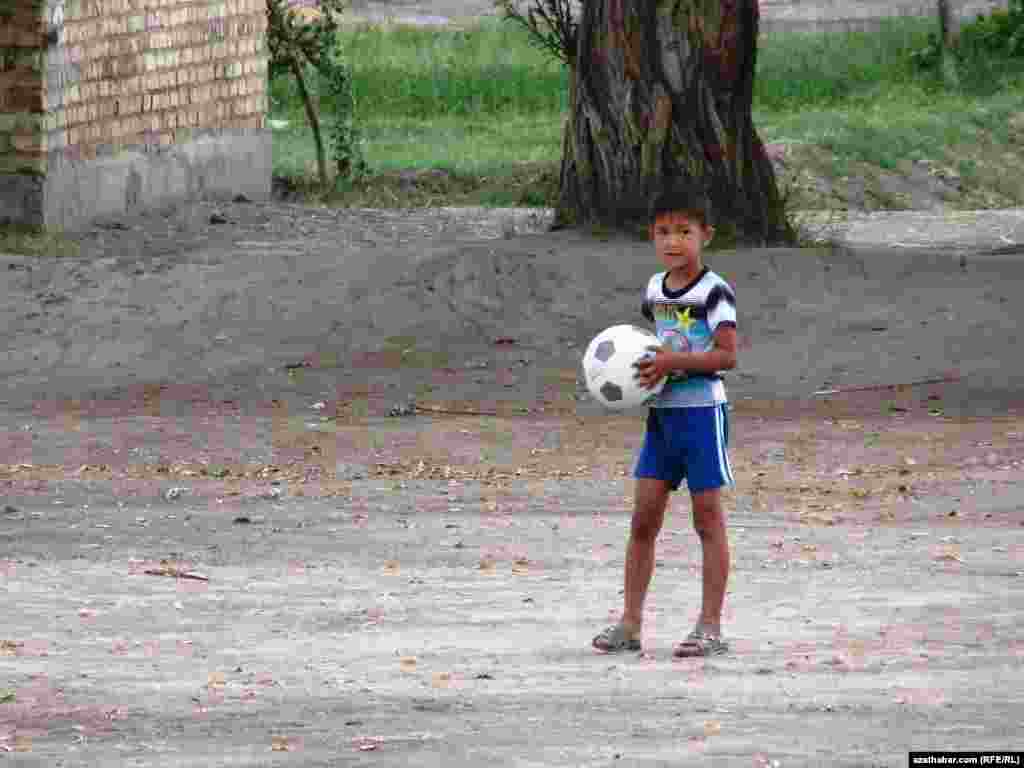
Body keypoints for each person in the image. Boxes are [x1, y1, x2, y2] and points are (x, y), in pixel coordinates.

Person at [591, 185, 738, 658]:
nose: (673, 241)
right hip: (662, 419)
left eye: (684, 232)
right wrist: (636, 377)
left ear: (705, 235)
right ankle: (630, 624)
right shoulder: (654, 288)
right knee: (643, 520)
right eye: (662, 232)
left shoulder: (716, 291)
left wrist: (673, 362)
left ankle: (709, 628)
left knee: (707, 521)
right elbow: (645, 345)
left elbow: (726, 356)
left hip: (701, 415)